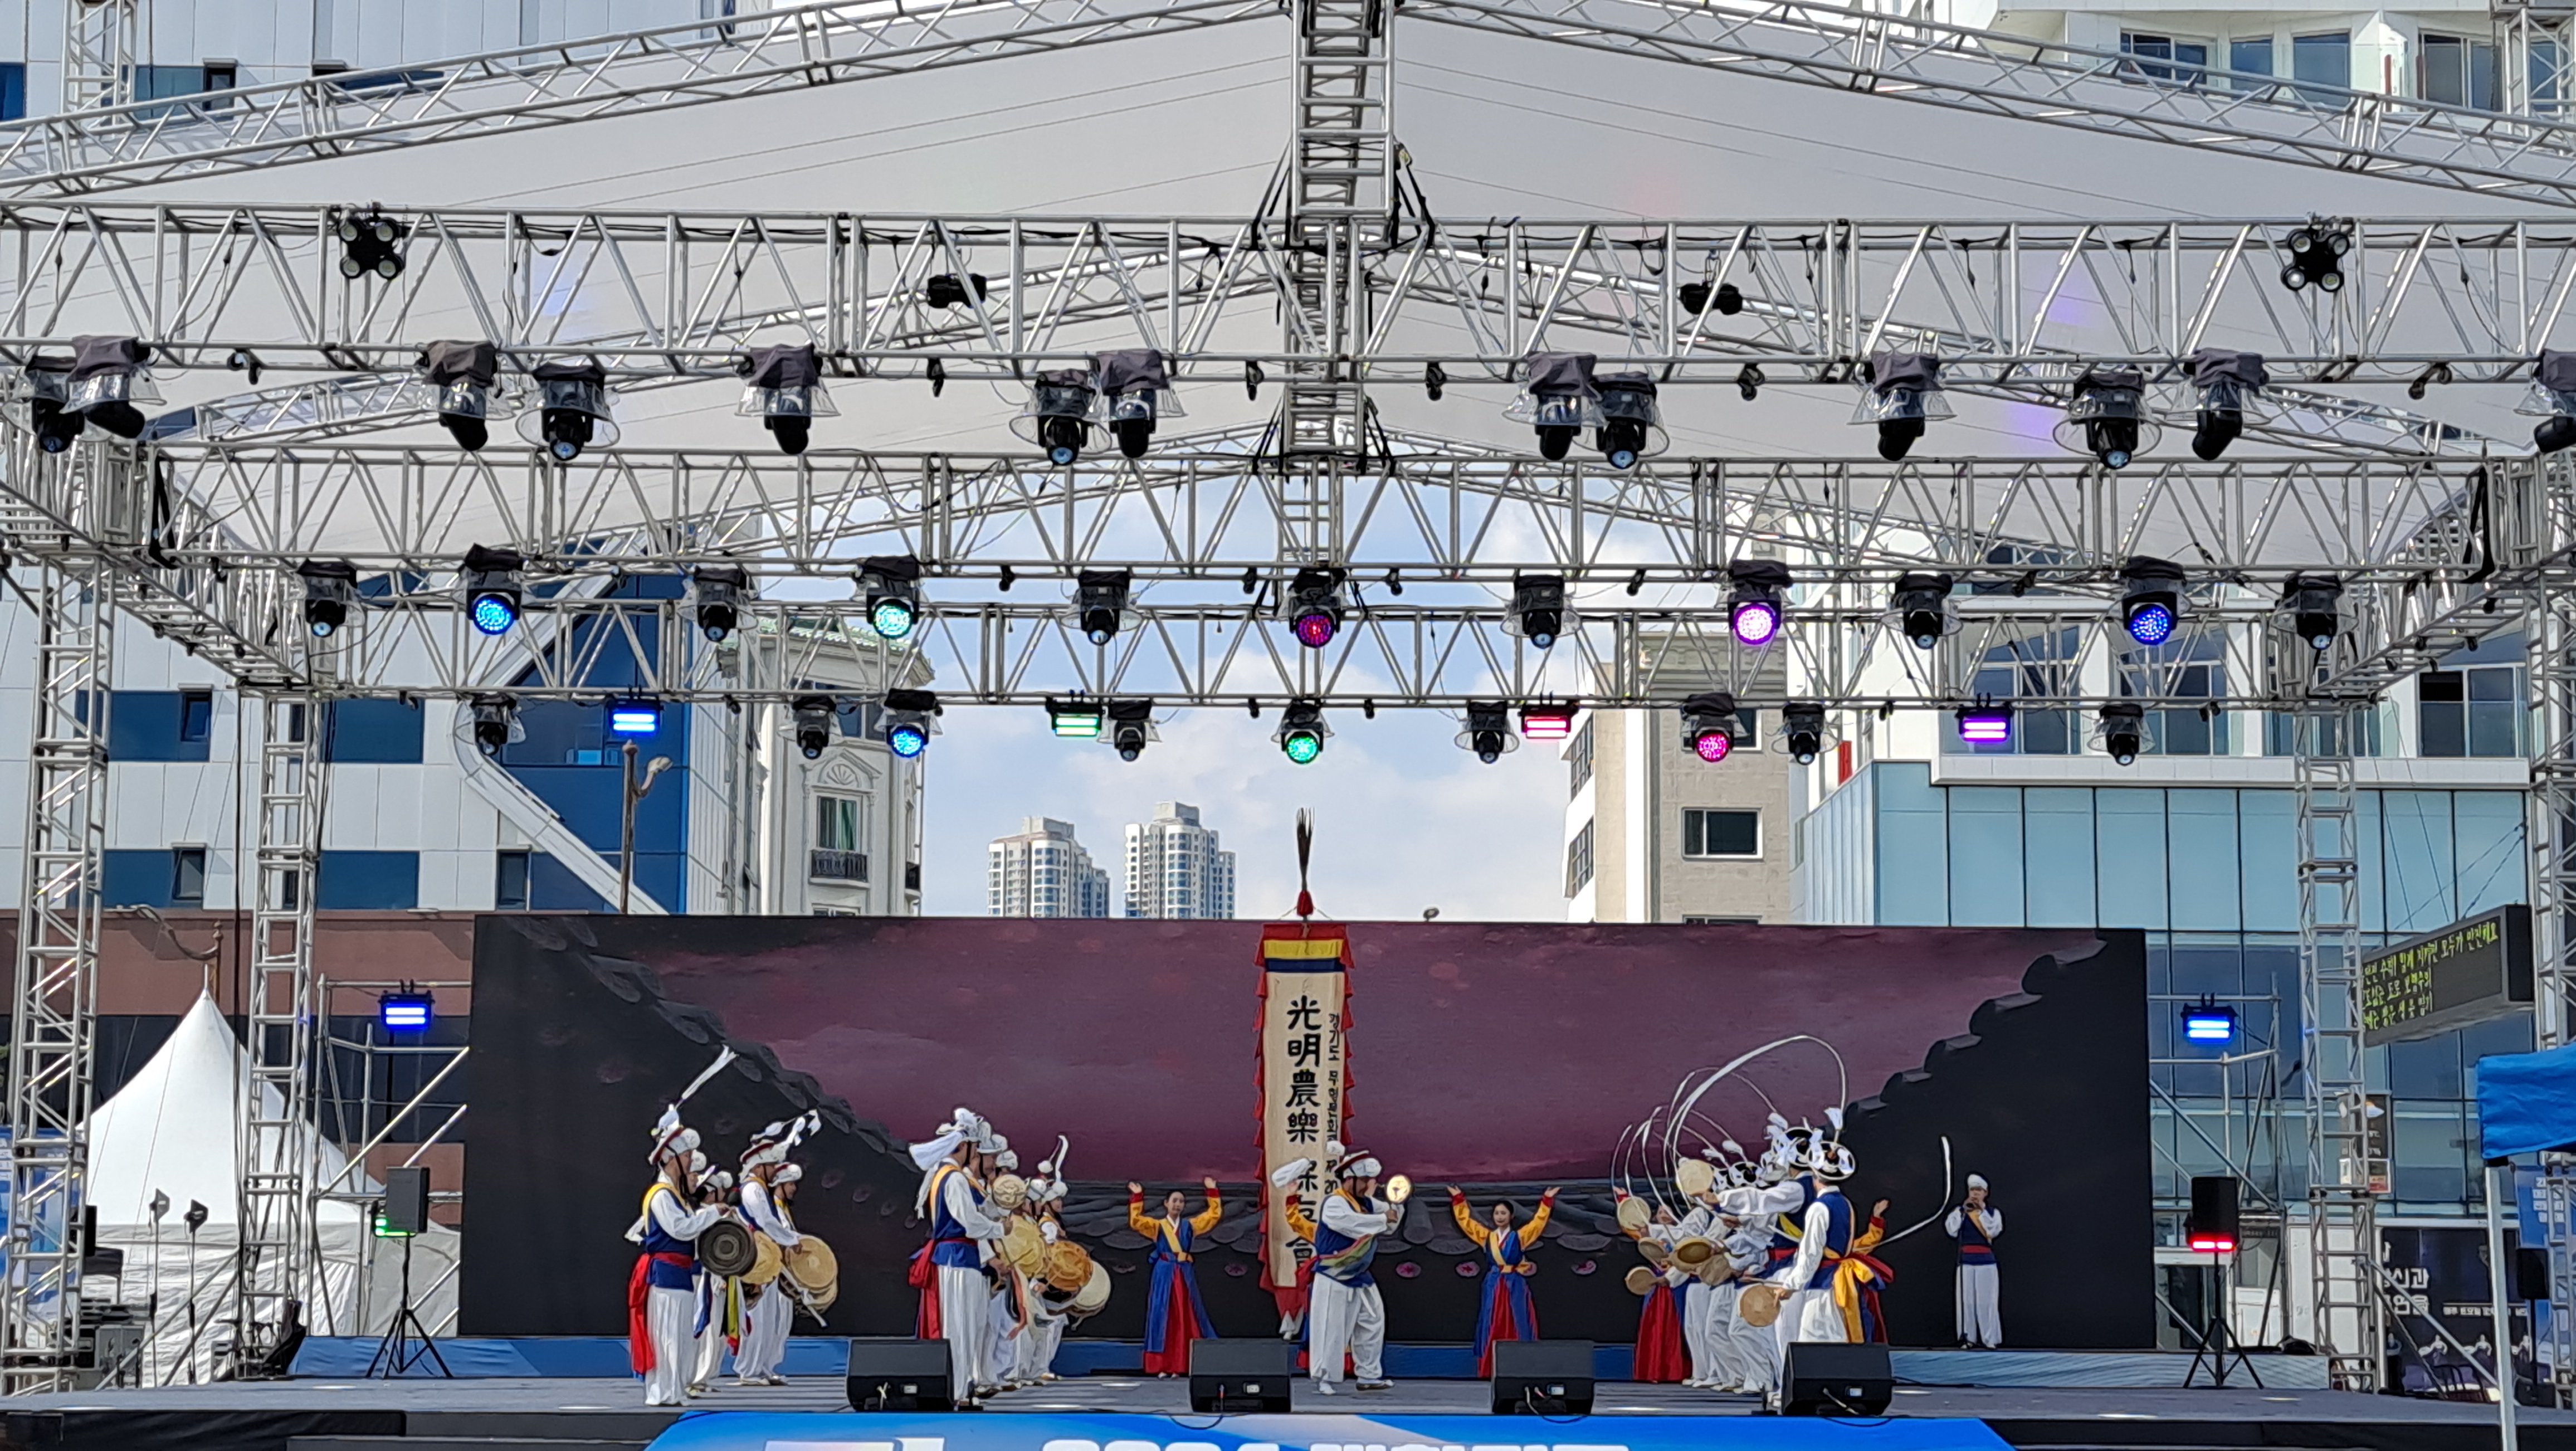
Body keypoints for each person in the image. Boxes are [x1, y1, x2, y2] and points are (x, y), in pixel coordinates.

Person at [908, 1109, 1010, 1405]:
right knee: (960, 1326)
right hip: (957, 1259)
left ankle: (963, 1387)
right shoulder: (953, 1178)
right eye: (974, 1148)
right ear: (962, 1146)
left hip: (962, 1258)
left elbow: (975, 1213)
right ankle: (958, 1390)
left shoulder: (949, 1176)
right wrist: (999, 1229)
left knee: (970, 1325)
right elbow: (969, 1222)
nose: (976, 1154)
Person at [627, 1109, 725, 1408]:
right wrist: (711, 1214)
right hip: (665, 1274)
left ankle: (675, 1389)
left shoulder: (675, 1196)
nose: (691, 1161)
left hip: (679, 1275)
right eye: (687, 1156)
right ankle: (663, 1391)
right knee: (666, 1334)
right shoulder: (661, 1195)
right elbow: (680, 1229)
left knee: (680, 1335)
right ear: (672, 1159)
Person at [1306, 1142, 1399, 1396]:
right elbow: (1353, 1225)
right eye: (1365, 1180)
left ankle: (1369, 1375)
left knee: (1373, 1321)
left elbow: (1390, 1221)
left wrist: (1397, 1202)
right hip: (1333, 1274)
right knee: (1331, 1327)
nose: (1369, 1185)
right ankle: (1324, 1378)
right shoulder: (1335, 1203)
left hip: (1359, 1273)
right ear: (1350, 1179)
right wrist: (1384, 1218)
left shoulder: (1367, 1203)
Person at [736, 1116, 814, 1387]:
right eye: (771, 1166)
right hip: (758, 1260)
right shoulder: (752, 1190)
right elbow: (766, 1222)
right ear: (760, 1166)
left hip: (767, 1259)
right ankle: (749, 1369)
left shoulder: (761, 1190)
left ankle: (763, 1367)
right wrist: (791, 1239)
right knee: (758, 1317)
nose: (774, 1170)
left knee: (769, 1317)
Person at [1450, 1185, 1558, 1376]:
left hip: (1514, 1284)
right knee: (1491, 1321)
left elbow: (1538, 1224)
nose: (1499, 1217)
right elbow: (1467, 1223)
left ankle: (1521, 1367)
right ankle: (1489, 1368)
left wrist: (1547, 1201)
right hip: (1494, 1283)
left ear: (1511, 1216)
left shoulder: (1520, 1237)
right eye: (1497, 1213)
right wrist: (1459, 1199)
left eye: (1503, 1213)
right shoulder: (1487, 1237)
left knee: (1518, 1321)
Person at [1129, 1175, 1224, 1375]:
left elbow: (1213, 1216)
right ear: (1166, 1203)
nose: (1178, 1204)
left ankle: (1182, 1364)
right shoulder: (1157, 1226)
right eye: (1175, 1201)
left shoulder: (1190, 1226)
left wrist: (1212, 1192)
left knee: (1185, 1315)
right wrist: (1138, 1197)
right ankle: (1162, 1365)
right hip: (1164, 1273)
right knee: (1163, 1315)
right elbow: (1137, 1222)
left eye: (1181, 1201)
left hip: (1184, 1274)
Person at [1617, 1198, 1689, 1384]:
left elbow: (1685, 1261)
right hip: (1656, 1286)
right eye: (1660, 1212)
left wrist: (1669, 1276)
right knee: (1654, 1327)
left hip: (1675, 1286)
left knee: (1675, 1327)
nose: (1664, 1215)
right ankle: (1653, 1371)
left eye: (1667, 1212)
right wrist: (1624, 1200)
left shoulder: (1683, 1235)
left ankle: (1675, 1371)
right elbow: (1632, 1222)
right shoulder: (1651, 1233)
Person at [1945, 1174, 2003, 1348]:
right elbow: (1952, 1231)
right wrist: (1963, 1212)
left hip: (1986, 1262)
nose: (1975, 1193)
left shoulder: (1993, 1213)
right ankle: (1968, 1338)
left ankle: (1989, 1340)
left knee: (1987, 1302)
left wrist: (1981, 1211)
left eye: (1979, 1190)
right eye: (1972, 1190)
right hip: (1965, 1262)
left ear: (1986, 1193)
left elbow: (1993, 1231)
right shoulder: (1960, 1212)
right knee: (1966, 1303)